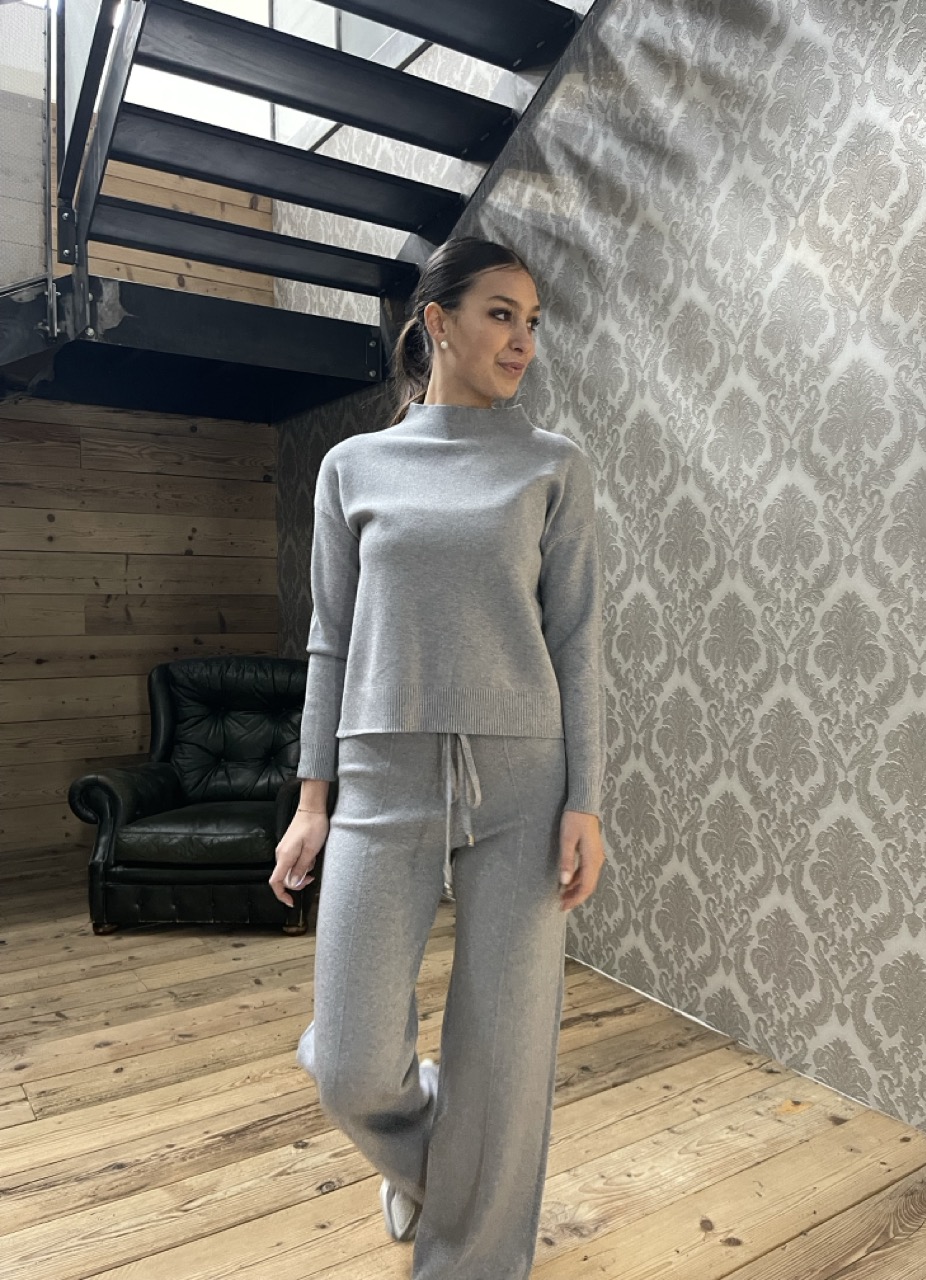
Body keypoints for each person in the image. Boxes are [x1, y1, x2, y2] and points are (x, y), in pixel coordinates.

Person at [270, 235, 606, 1280]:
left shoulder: (553, 465)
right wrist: (312, 799)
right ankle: (434, 1157)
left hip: (524, 783)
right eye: (501, 313)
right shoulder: (352, 467)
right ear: (437, 322)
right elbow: (330, 637)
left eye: (532, 321)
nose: (522, 339)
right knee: (351, 1060)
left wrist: (586, 802)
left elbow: (577, 640)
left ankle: (473, 1260)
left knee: (503, 1061)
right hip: (381, 776)